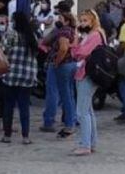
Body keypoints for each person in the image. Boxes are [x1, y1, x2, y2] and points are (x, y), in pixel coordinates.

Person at [71, 10, 105, 156]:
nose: (82, 23)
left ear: (93, 21)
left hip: (87, 74)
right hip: (85, 73)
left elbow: (80, 53)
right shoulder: (94, 34)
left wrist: (75, 42)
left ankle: (85, 144)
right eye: (81, 20)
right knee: (88, 110)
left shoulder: (95, 35)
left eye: (85, 21)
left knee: (82, 111)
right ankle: (91, 142)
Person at [0, 12, 38, 144]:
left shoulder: (10, 34)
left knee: (8, 106)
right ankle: (25, 136)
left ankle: (7, 135)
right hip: (27, 76)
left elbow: (1, 51)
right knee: (24, 107)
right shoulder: (32, 36)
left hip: (11, 75)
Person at [39, 11, 74, 133]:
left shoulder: (64, 31)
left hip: (60, 64)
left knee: (53, 92)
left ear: (67, 20)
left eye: (60, 17)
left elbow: (63, 48)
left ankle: (49, 120)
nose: (58, 19)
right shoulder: (71, 30)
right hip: (69, 64)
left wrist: (57, 62)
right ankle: (70, 121)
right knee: (67, 94)